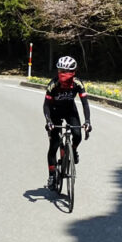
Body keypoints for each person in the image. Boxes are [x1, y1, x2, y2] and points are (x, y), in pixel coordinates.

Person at [43, 55, 92, 187]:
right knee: (54, 145)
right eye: (60, 71)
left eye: (65, 72)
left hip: (70, 110)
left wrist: (87, 121)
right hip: (54, 111)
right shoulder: (53, 84)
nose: (62, 74)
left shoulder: (77, 83)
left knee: (77, 135)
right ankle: (52, 175)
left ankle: (72, 150)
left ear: (72, 72)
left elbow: (85, 104)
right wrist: (48, 121)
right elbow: (46, 105)